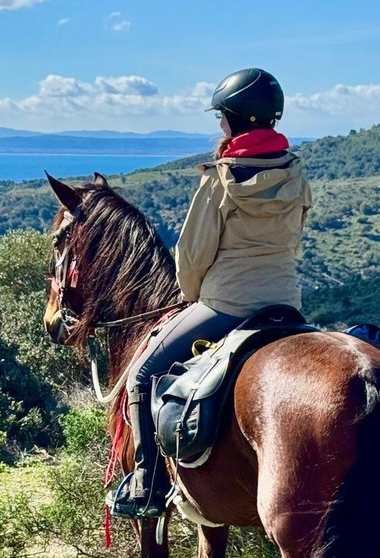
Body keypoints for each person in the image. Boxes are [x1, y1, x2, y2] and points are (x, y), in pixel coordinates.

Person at [111, 67, 312, 519]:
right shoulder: (297, 174)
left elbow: (192, 255)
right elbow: (295, 237)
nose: (220, 124)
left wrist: (191, 295)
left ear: (235, 118)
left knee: (142, 375)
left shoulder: (219, 180)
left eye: (222, 116)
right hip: (286, 305)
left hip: (226, 305)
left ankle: (147, 484)